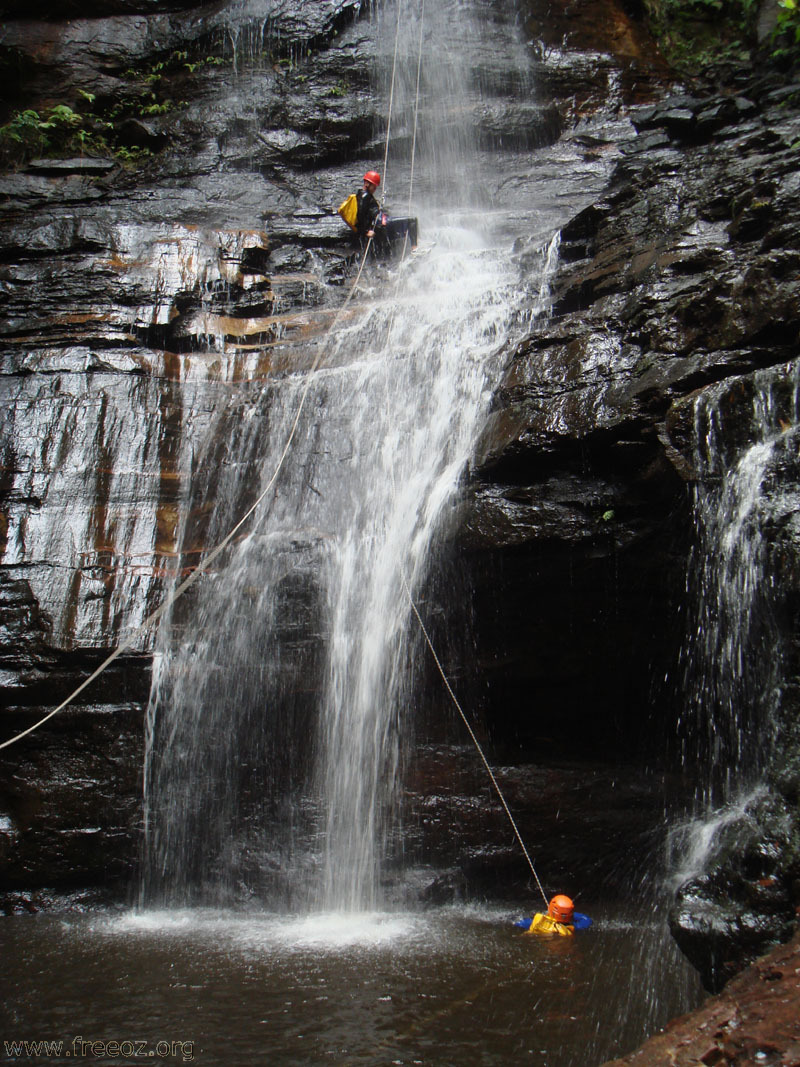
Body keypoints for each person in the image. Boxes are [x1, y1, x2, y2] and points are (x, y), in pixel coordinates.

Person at [339, 170, 419, 256]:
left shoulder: (362, 196)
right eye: (374, 187)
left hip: (381, 224)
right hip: (381, 225)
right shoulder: (364, 197)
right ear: (367, 184)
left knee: (407, 226)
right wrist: (366, 231)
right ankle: (415, 249)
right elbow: (360, 216)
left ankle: (415, 245)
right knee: (412, 221)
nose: (375, 189)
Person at [514, 894, 593, 937]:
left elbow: (517, 923)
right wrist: (568, 914)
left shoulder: (536, 922)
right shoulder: (574, 928)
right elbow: (587, 919)